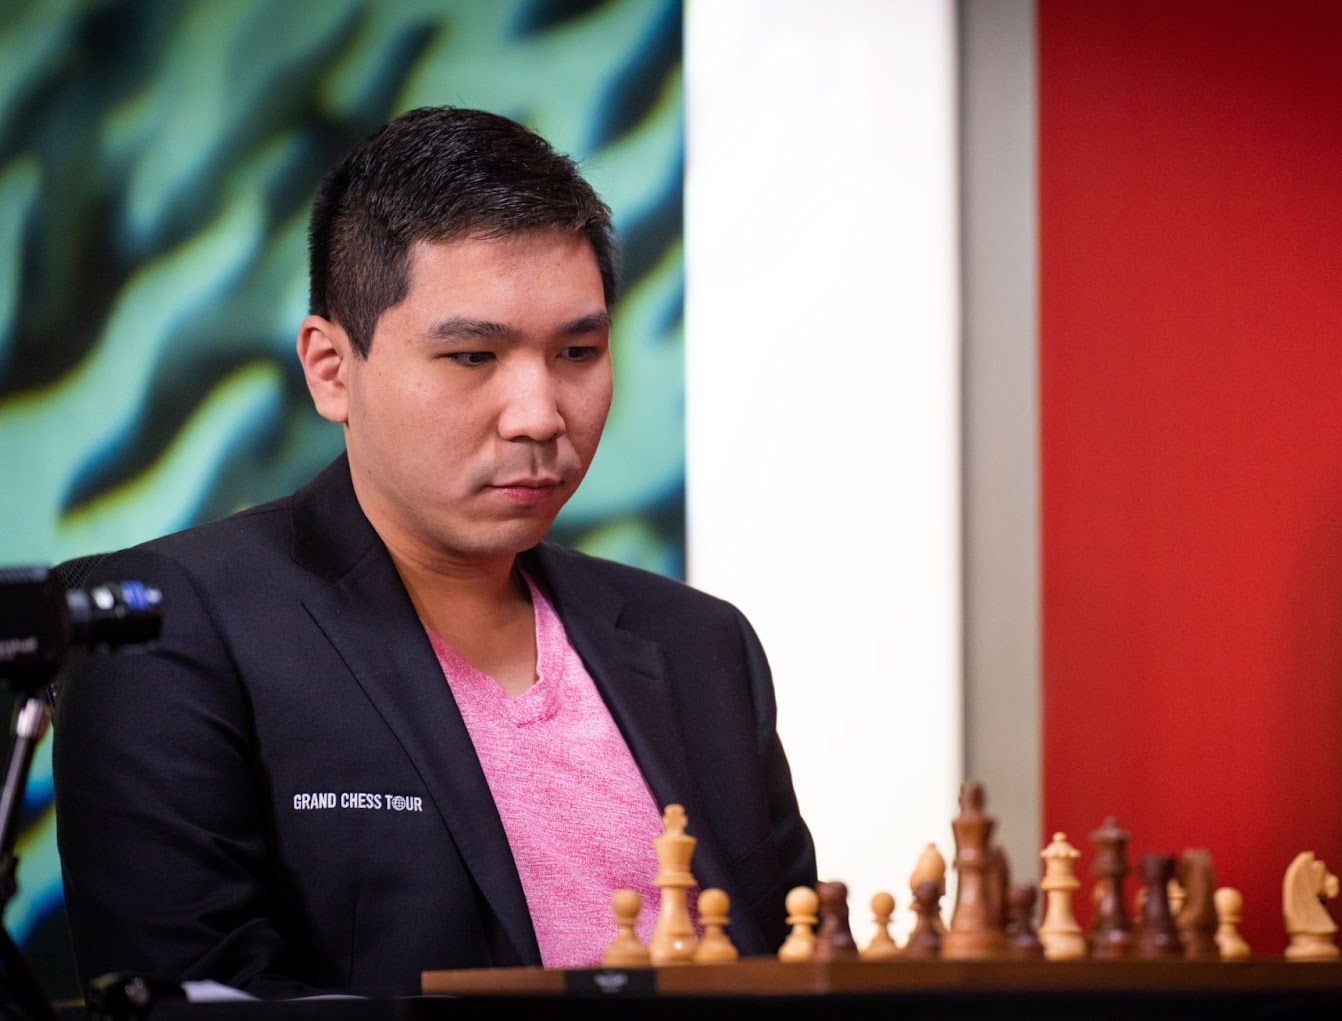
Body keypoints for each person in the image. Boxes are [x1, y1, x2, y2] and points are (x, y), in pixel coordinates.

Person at [53, 107, 815, 998]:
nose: (539, 415)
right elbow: (194, 995)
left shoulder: (702, 645)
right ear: (331, 369)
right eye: (472, 356)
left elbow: (802, 975)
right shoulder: (167, 626)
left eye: (578, 350)